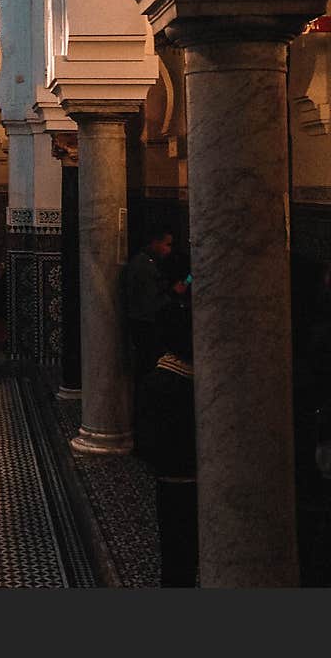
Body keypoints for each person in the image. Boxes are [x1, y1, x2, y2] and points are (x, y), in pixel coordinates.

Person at [136, 302, 198, 587]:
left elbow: (146, 443)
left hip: (171, 480)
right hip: (197, 479)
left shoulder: (156, 383)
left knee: (176, 557)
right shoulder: (200, 387)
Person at [124, 228, 174, 381]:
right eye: (167, 244)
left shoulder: (146, 262)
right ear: (155, 243)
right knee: (147, 363)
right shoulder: (144, 265)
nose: (169, 249)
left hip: (142, 321)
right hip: (145, 323)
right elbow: (150, 300)